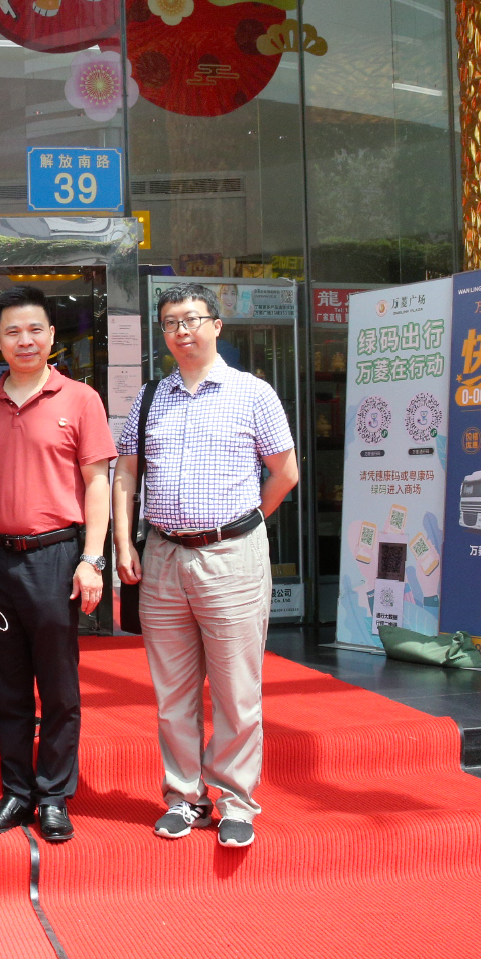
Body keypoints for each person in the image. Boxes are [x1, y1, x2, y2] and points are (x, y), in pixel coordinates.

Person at [113, 283, 298, 849]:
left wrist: (243, 525)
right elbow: (125, 474)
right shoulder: (150, 398)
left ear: (218, 325)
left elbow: (285, 472)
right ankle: (183, 796)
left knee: (237, 688)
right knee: (172, 693)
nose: (182, 330)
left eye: (192, 319)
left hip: (231, 557)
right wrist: (124, 544)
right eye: (170, 323)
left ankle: (237, 801)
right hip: (164, 556)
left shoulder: (253, 394)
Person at [0, 285, 115, 844]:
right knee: (6, 684)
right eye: (12, 331)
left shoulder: (80, 399)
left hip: (56, 557)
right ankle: (15, 792)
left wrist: (92, 559)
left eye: (34, 330)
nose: (24, 340)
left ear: (51, 336)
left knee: (58, 685)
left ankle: (53, 795)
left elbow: (97, 482)